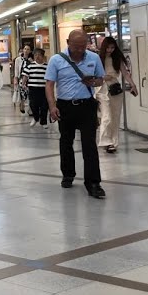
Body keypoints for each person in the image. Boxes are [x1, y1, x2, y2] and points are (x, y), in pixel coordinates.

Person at [46, 30, 107, 198]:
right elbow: (50, 84)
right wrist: (52, 106)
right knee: (66, 142)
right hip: (65, 106)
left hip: (87, 105)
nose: (80, 50)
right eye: (76, 46)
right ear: (67, 42)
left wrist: (94, 81)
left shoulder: (93, 58)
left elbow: (101, 79)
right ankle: (68, 174)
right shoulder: (56, 60)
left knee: (89, 145)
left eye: (83, 46)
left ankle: (94, 183)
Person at [96, 36, 139, 154]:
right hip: (102, 89)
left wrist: (133, 85)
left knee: (115, 116)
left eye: (112, 48)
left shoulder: (117, 59)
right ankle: (106, 141)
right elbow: (92, 75)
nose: (110, 50)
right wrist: (102, 77)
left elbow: (125, 73)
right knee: (107, 116)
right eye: (108, 47)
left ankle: (113, 143)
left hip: (115, 88)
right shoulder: (97, 58)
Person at [24, 49, 49, 128]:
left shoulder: (47, 66)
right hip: (33, 89)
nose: (37, 57)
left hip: (44, 90)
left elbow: (50, 78)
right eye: (35, 55)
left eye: (39, 55)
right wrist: (23, 84)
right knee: (33, 105)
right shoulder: (30, 66)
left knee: (44, 106)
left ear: (43, 56)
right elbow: (25, 76)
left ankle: (43, 122)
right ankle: (35, 117)